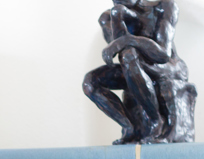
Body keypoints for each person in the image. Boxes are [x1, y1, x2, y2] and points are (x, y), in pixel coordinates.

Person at [83, 0, 196, 144]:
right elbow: (120, 54)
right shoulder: (109, 17)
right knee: (90, 83)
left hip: (169, 67)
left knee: (129, 56)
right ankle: (129, 126)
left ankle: (156, 121)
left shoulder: (163, 6)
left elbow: (163, 55)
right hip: (134, 65)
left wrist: (127, 40)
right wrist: (118, 17)